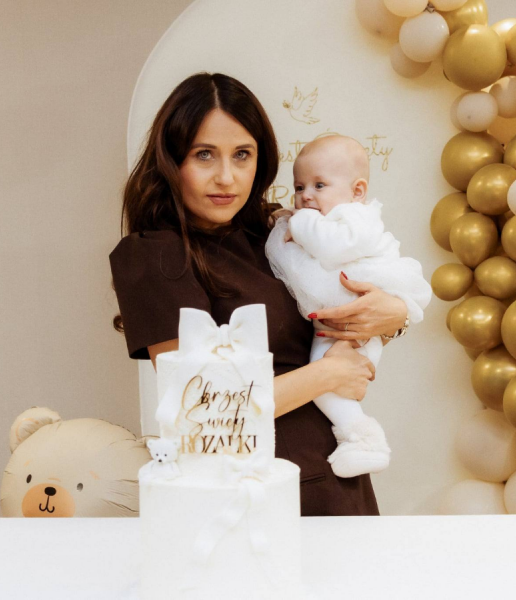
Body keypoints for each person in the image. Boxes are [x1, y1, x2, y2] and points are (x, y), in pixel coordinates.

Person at [108, 72, 408, 516]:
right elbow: (201, 409)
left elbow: (350, 291)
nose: (226, 177)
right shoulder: (154, 255)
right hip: (250, 497)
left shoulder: (276, 232)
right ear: (171, 160)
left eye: (242, 155)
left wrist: (395, 314)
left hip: (337, 476)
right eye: (204, 154)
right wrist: (327, 375)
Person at [265, 135, 431, 478]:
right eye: (299, 187)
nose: (306, 195)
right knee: (325, 379)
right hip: (338, 324)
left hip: (357, 319)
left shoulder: (356, 218)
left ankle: (364, 438)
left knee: (326, 382)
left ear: (357, 191)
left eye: (319, 185)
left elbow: (333, 247)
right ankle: (359, 437)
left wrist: (300, 223)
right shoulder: (319, 220)